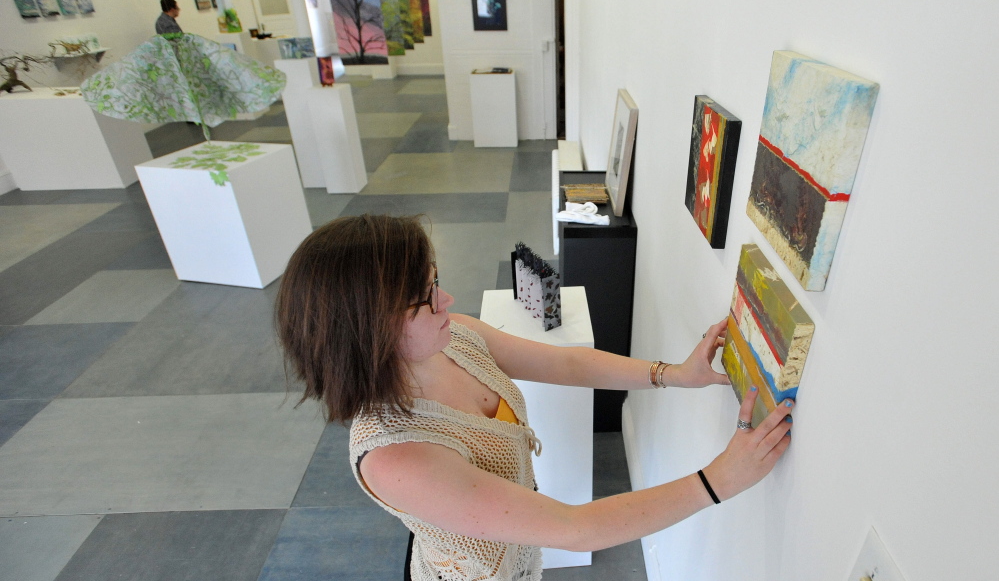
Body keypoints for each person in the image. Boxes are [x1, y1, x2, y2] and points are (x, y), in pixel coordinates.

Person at [276, 215, 794, 581]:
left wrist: (673, 375)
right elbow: (575, 528)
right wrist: (720, 480)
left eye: (436, 282)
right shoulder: (396, 457)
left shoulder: (452, 337)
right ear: (368, 331)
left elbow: (566, 362)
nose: (446, 300)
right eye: (426, 296)